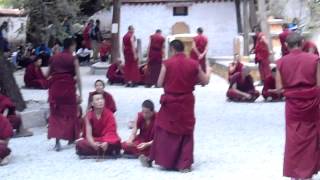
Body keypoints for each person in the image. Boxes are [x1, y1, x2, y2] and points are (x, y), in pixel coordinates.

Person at [139, 40, 211, 172]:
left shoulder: (167, 63)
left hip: (170, 101)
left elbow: (160, 83)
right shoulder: (193, 63)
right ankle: (184, 165)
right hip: (187, 102)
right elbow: (205, 81)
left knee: (162, 129)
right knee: (185, 131)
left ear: (172, 49)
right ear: (183, 49)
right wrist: (209, 70)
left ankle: (151, 159)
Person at [276, 32, 320, 180]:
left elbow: (279, 88)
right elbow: (319, 85)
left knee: (294, 138)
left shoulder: (281, 62)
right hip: (311, 103)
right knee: (311, 136)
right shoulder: (314, 59)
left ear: (286, 46)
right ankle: (308, 173)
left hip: (293, 105)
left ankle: (296, 174)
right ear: (302, 43)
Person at [47, 38, 82, 152]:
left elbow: (47, 74)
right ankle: (71, 138)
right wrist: (80, 94)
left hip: (55, 89)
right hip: (68, 88)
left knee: (56, 114)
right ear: (71, 46)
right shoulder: (73, 58)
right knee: (71, 112)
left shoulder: (54, 58)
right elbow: (79, 77)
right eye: (74, 46)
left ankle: (57, 142)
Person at [76, 92, 121, 159]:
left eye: (102, 99)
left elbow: (111, 132)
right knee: (80, 143)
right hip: (95, 139)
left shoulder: (109, 114)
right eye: (97, 99)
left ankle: (102, 150)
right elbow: (88, 135)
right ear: (92, 103)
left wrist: (107, 142)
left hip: (107, 140)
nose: (100, 101)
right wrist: (93, 144)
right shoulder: (88, 115)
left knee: (116, 142)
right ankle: (106, 151)